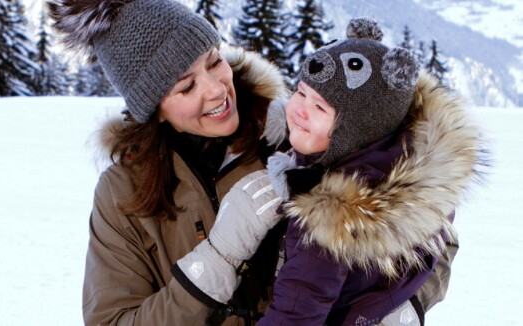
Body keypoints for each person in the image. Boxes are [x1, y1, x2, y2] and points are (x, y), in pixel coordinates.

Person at [48, 1, 458, 324]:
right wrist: (216, 259)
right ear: (154, 108)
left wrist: (399, 310)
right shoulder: (122, 194)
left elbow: (433, 227)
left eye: (213, 61)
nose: (215, 90)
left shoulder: (299, 135)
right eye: (186, 86)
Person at [252, 18, 487, 326]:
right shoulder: (410, 170)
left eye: (320, 108)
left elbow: (296, 312)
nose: (298, 109)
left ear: (356, 129)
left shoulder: (330, 214)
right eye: (300, 91)